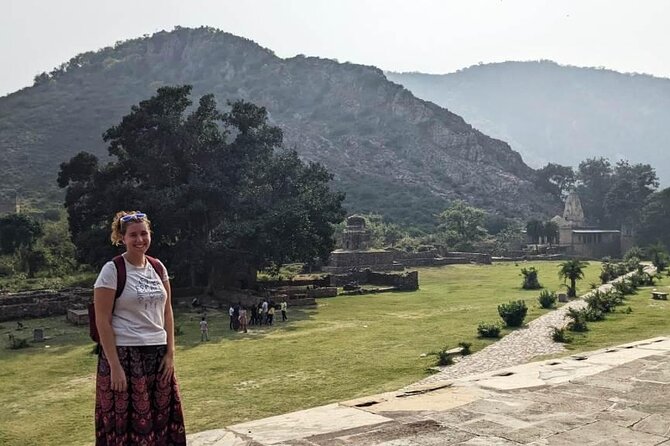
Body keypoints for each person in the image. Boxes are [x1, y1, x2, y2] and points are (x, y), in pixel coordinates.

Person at [93, 211, 186, 445]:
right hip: (125, 355)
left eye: (144, 233)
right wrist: (114, 365)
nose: (139, 239)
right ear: (122, 238)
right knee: (127, 426)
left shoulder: (157, 267)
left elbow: (167, 311)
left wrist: (170, 353)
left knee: (162, 421)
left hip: (157, 355)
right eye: (133, 235)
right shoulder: (112, 270)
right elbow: (102, 320)